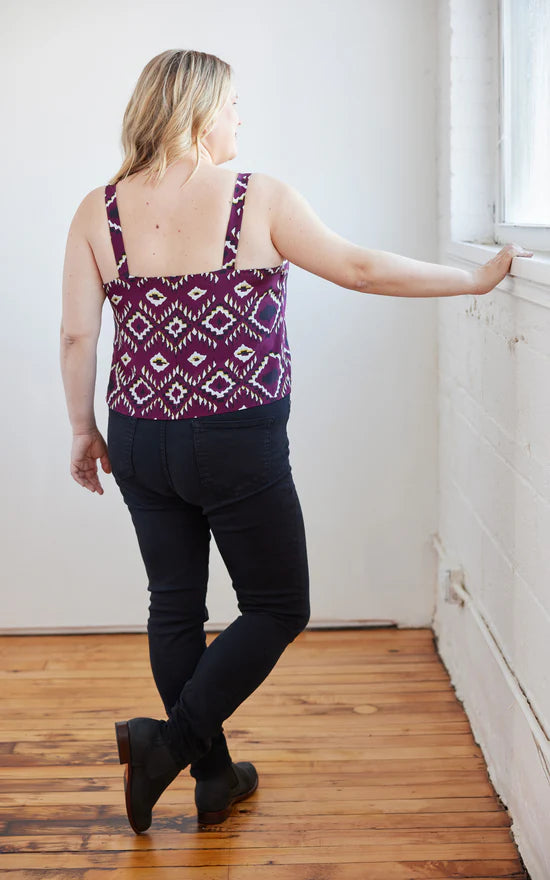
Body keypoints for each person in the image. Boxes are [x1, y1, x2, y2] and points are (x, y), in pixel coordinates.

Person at [59, 48, 533, 835]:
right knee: (278, 604)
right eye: (234, 103)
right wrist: (473, 281)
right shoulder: (254, 198)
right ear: (201, 108)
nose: (242, 117)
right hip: (235, 440)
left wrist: (83, 430)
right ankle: (169, 748)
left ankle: (212, 778)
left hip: (139, 436)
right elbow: (358, 268)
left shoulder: (96, 209)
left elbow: (79, 334)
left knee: (173, 604)